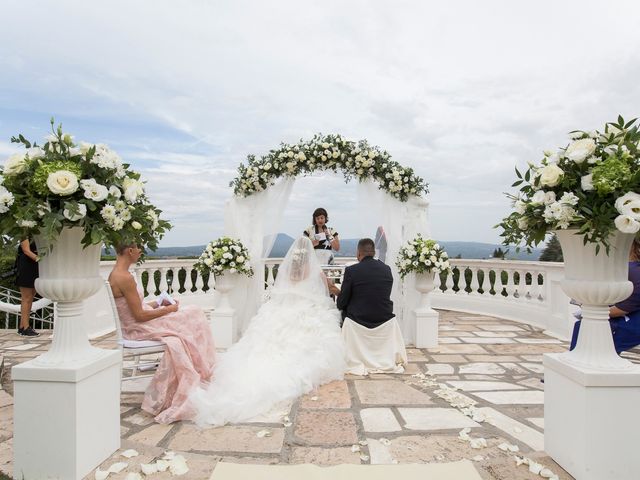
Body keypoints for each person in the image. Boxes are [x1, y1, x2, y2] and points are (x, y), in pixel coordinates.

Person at [191, 236, 346, 426]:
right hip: (306, 310)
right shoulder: (316, 272)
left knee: (265, 344)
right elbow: (325, 291)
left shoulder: (287, 270)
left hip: (281, 309)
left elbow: (281, 289)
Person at [109, 243, 216, 424]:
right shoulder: (124, 277)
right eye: (139, 248)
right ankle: (203, 369)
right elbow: (140, 316)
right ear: (130, 251)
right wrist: (170, 309)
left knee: (190, 314)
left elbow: (137, 308)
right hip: (139, 329)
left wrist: (159, 303)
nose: (141, 251)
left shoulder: (117, 273)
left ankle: (201, 367)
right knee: (193, 314)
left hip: (138, 323)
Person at [337, 238, 407, 374]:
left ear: (358, 253)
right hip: (383, 317)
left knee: (341, 310)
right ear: (374, 252)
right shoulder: (386, 269)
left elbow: (341, 303)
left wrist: (337, 292)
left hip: (358, 319)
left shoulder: (352, 271)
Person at [569, 237, 640, 354]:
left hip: (631, 325)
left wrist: (590, 309)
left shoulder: (631, 270)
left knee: (587, 329)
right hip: (627, 320)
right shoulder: (630, 268)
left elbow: (624, 308)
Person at [16, 238, 40, 337]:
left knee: (30, 297)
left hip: (35, 266)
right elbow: (26, 250)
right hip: (26, 265)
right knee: (26, 298)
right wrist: (41, 260)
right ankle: (26, 328)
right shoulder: (24, 230)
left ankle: (22, 326)